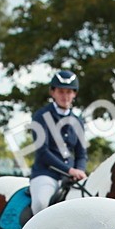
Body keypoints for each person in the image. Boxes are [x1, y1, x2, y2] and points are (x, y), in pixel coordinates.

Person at [28, 70, 88, 215]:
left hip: (71, 178)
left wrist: (80, 170)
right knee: (40, 203)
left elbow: (81, 153)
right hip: (46, 174)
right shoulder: (41, 116)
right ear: (52, 92)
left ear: (74, 94)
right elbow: (43, 152)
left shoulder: (78, 121)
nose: (65, 96)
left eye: (69, 92)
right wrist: (69, 170)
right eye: (61, 91)